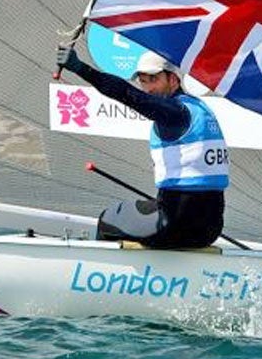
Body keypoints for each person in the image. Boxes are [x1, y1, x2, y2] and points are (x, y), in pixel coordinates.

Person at [55, 44, 229, 249]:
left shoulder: (175, 113)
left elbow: (125, 93)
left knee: (109, 218)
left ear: (173, 79)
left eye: (154, 80)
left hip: (173, 226)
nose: (148, 89)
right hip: (210, 230)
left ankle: (106, 273)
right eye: (143, 82)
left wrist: (80, 68)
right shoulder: (200, 109)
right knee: (147, 211)